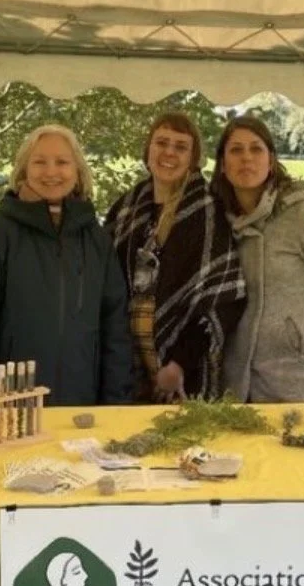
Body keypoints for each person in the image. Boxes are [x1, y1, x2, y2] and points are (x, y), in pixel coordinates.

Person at [0, 124, 133, 412]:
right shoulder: (0, 235)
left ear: (78, 171)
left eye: (62, 162)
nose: (51, 171)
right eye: (40, 162)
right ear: (24, 170)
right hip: (10, 404)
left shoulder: (97, 240)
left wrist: (116, 403)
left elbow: (115, 328)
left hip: (82, 406)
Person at [105, 113, 246, 402]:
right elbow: (105, 285)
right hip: (125, 363)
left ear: (193, 158)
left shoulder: (209, 213)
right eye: (161, 143)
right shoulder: (125, 209)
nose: (169, 152)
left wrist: (180, 363)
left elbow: (223, 300)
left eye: (181, 146)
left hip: (183, 370)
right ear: (148, 150)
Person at [211, 116, 304, 403]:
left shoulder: (302, 212)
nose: (246, 158)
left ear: (271, 161)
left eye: (256, 149)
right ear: (223, 164)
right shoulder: (216, 218)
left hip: (296, 376)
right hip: (236, 379)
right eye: (236, 150)